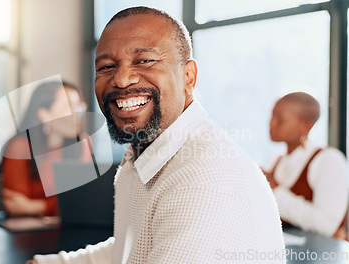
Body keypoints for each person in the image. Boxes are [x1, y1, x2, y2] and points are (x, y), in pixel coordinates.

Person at [29, 6, 285, 264]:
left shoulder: (203, 180)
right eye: (106, 66)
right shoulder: (147, 152)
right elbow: (130, 249)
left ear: (188, 77)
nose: (122, 79)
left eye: (144, 61)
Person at [264, 92, 348, 239]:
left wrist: (275, 190)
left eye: (280, 120)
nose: (271, 124)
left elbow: (327, 225)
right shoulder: (277, 161)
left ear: (306, 126)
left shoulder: (328, 160)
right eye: (271, 116)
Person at [2, 81, 89, 217]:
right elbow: (15, 206)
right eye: (69, 106)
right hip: (30, 234)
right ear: (44, 115)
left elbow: (85, 200)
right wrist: (59, 206)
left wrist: (35, 206)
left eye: (79, 104)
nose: (79, 112)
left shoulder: (83, 144)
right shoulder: (19, 147)